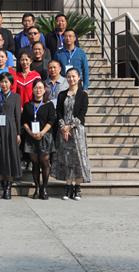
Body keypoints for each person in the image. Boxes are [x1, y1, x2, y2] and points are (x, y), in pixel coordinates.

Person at [52, 68, 91, 201]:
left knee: (78, 159)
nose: (71, 79)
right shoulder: (62, 94)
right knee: (67, 158)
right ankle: (68, 186)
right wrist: (63, 127)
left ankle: (77, 187)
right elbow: (58, 112)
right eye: (68, 76)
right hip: (64, 131)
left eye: (74, 76)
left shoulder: (83, 95)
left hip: (77, 130)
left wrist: (70, 126)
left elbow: (82, 113)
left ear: (79, 78)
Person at [0, 72, 22, 200]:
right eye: (2, 82)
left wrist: (18, 133)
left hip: (10, 129)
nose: (4, 84)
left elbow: (17, 116)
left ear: (11, 83)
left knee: (9, 157)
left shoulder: (16, 97)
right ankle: (1, 186)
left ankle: (8, 186)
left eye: (6, 82)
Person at [22, 79, 56, 200]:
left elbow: (51, 120)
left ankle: (44, 188)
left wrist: (42, 132)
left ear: (45, 90)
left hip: (45, 136)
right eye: (36, 88)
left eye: (41, 88)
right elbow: (24, 121)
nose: (38, 90)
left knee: (45, 162)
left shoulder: (49, 104)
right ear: (32, 90)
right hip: (31, 137)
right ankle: (37, 188)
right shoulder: (27, 105)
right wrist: (31, 133)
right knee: (35, 163)